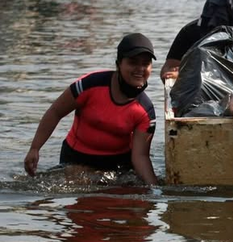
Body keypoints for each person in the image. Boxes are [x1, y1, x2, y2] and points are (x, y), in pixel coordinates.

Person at [23, 33, 158, 185]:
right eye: (133, 62)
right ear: (119, 63)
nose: (140, 69)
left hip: (117, 167)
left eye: (145, 64)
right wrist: (35, 148)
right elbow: (55, 112)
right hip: (76, 159)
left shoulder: (146, 111)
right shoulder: (88, 85)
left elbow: (140, 157)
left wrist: (154, 189)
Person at [161, 0, 233, 81]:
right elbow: (169, 68)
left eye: (227, 8)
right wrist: (176, 75)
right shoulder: (191, 32)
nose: (221, 14)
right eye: (216, 8)